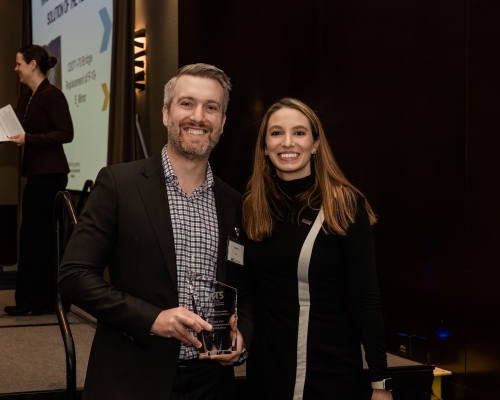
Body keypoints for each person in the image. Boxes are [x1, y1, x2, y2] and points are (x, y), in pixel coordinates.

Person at [58, 64, 253, 400]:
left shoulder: (235, 203)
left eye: (211, 107)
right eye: (186, 103)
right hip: (132, 377)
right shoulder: (119, 184)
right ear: (166, 113)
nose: (198, 117)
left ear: (222, 122)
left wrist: (242, 335)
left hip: (212, 383)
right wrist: (153, 319)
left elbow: (246, 289)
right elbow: (74, 275)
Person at [242, 98, 393, 399]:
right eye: (276, 133)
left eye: (299, 133)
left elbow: (367, 299)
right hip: (266, 367)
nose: (287, 142)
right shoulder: (251, 206)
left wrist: (381, 383)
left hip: (328, 367)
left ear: (315, 144)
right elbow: (246, 288)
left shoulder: (345, 204)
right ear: (263, 147)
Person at [4, 45, 73, 316]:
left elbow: (66, 133)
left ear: (33, 65)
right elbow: (19, 127)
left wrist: (28, 139)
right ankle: (32, 301)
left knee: (40, 239)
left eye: (19, 63)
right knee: (32, 237)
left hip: (50, 176)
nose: (16, 69)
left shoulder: (52, 95)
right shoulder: (28, 97)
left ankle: (40, 302)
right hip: (36, 174)